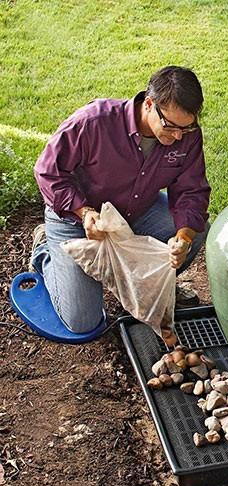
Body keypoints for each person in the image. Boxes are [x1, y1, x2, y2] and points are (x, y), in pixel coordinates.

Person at [30, 65, 210, 334]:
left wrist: (182, 237)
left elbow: (191, 191)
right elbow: (48, 171)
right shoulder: (94, 121)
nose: (178, 136)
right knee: (83, 322)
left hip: (137, 211)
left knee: (197, 231)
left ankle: (137, 286)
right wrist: (84, 212)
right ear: (149, 104)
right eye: (171, 126)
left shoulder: (186, 133)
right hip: (76, 218)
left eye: (186, 127)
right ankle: (46, 252)